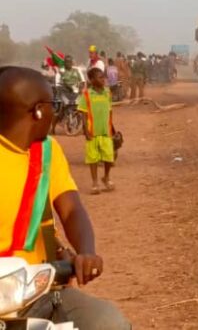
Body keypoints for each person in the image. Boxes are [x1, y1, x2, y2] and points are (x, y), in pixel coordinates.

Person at [0, 66, 130, 330]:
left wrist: (86, 252)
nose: (55, 112)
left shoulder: (47, 151)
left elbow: (71, 209)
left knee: (108, 322)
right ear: (37, 110)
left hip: (36, 292)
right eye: (53, 104)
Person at [78, 68, 116, 195]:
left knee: (109, 157)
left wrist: (112, 127)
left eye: (103, 77)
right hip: (92, 132)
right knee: (93, 159)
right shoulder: (87, 94)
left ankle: (106, 177)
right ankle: (95, 183)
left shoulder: (107, 93)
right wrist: (85, 130)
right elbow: (83, 113)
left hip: (106, 131)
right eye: (100, 77)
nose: (103, 79)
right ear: (92, 80)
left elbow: (110, 111)